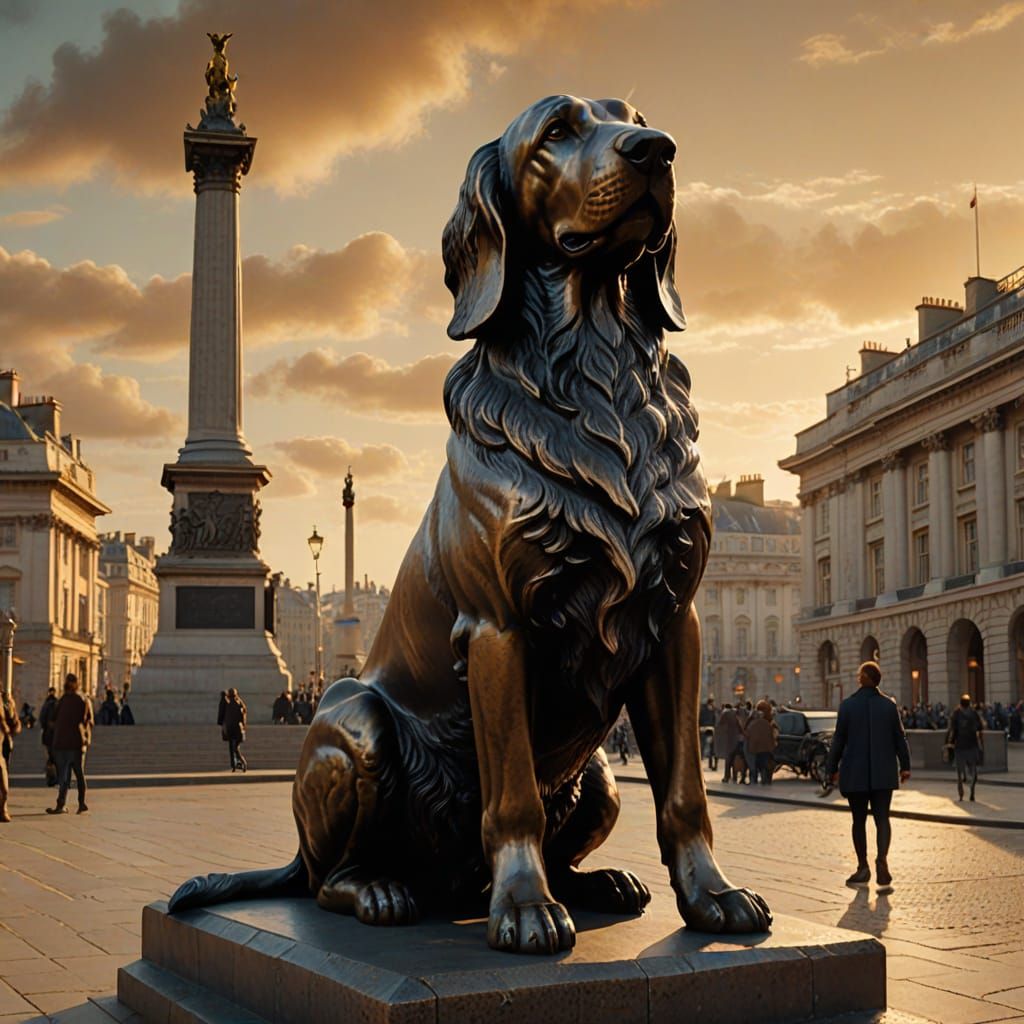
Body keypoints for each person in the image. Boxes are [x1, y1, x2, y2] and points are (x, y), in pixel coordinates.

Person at [826, 661, 910, 887]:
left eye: (858, 674)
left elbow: (838, 741)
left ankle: (862, 867)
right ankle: (882, 861)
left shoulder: (847, 706)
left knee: (858, 821)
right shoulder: (889, 706)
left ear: (862, 678)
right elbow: (899, 738)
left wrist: (831, 769)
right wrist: (905, 766)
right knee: (883, 819)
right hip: (883, 772)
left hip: (855, 772)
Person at [46, 673, 93, 815]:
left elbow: (86, 720)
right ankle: (66, 804)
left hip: (71, 743)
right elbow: (88, 720)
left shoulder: (72, 700)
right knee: (68, 776)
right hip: (67, 743)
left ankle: (77, 803)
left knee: (72, 775)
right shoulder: (73, 700)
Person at [947, 693, 984, 802]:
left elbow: (953, 730)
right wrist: (980, 742)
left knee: (959, 772)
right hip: (972, 744)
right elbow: (980, 728)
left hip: (960, 746)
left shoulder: (956, 713)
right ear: (969, 703)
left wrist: (951, 742)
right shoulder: (974, 713)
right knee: (973, 770)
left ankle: (961, 795)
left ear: (960, 703)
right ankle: (972, 791)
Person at [745, 700, 779, 785]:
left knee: (757, 765)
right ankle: (765, 780)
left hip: (756, 747)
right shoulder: (769, 721)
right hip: (766, 748)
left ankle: (757, 780)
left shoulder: (755, 719)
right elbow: (775, 733)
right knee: (764, 765)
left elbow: (747, 729)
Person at [0, 691, 22, 822]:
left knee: (4, 785)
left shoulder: (5, 702)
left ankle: (3, 807)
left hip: (2, 747)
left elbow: (15, 722)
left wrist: (11, 709)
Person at [713, 702, 742, 783]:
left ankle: (726, 777)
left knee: (728, 760)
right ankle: (734, 777)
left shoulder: (725, 714)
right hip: (735, 740)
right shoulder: (735, 715)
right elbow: (740, 726)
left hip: (728, 740)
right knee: (734, 759)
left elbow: (719, 725)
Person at [222, 688, 247, 772]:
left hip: (231, 729)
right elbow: (242, 717)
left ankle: (240, 762)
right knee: (235, 747)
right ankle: (239, 763)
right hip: (238, 729)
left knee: (234, 748)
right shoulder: (239, 704)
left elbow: (226, 719)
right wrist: (243, 726)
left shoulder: (229, 706)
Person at [38, 687, 58, 786]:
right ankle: (54, 777)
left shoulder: (46, 705)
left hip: (48, 736)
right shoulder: (57, 704)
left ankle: (51, 777)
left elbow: (41, 719)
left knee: (51, 758)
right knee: (55, 758)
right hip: (55, 736)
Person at [699, 698, 718, 770]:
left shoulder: (709, 710)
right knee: (707, 746)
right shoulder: (711, 710)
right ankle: (707, 762)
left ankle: (710, 763)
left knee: (709, 746)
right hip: (707, 729)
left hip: (708, 729)